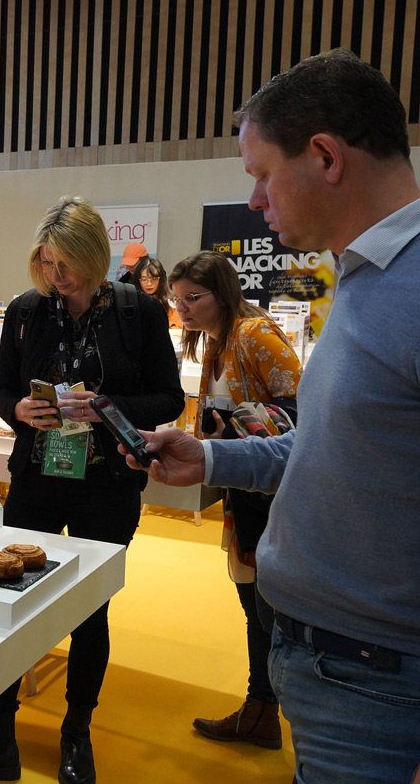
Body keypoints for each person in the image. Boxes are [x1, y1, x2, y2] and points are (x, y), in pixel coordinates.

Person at [125, 49, 420, 784]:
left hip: (378, 686)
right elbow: (327, 447)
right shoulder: (366, 280)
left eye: (261, 174)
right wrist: (211, 458)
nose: (255, 200)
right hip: (337, 671)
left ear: (325, 156)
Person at [0, 197, 183, 784]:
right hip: (37, 479)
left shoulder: (138, 313)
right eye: (46, 262)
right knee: (5, 599)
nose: (56, 275)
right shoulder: (26, 311)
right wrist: (18, 409)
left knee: (89, 611)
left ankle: (76, 734)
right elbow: (3, 389)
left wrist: (104, 407)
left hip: (106, 484)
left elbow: (169, 397)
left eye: (66, 263)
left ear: (94, 256)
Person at [168, 250, 301, 751]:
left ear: (222, 294)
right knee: (253, 601)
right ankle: (261, 709)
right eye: (177, 300)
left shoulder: (254, 334)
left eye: (192, 298)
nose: (182, 309)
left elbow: (301, 408)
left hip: (271, 491)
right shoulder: (217, 342)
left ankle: (274, 710)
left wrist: (239, 429)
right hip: (244, 488)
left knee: (268, 605)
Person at [132, 256, 182, 328]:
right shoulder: (132, 301)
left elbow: (176, 327)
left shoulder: (169, 301)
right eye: (144, 279)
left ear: (161, 279)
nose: (149, 283)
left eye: (153, 279)